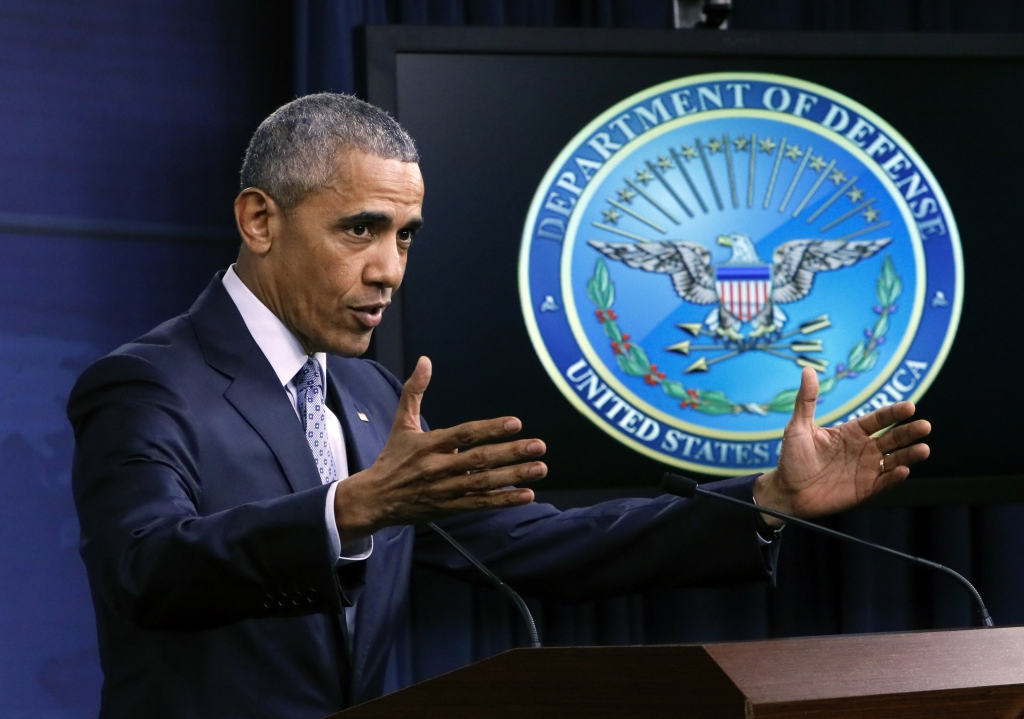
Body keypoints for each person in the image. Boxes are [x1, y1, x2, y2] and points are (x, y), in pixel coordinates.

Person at [67, 93, 931, 719]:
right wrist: (347, 508)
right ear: (260, 220)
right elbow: (147, 570)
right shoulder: (147, 383)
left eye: (405, 236)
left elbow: (531, 543)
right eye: (359, 229)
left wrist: (767, 504)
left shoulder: (366, 393)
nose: (391, 271)